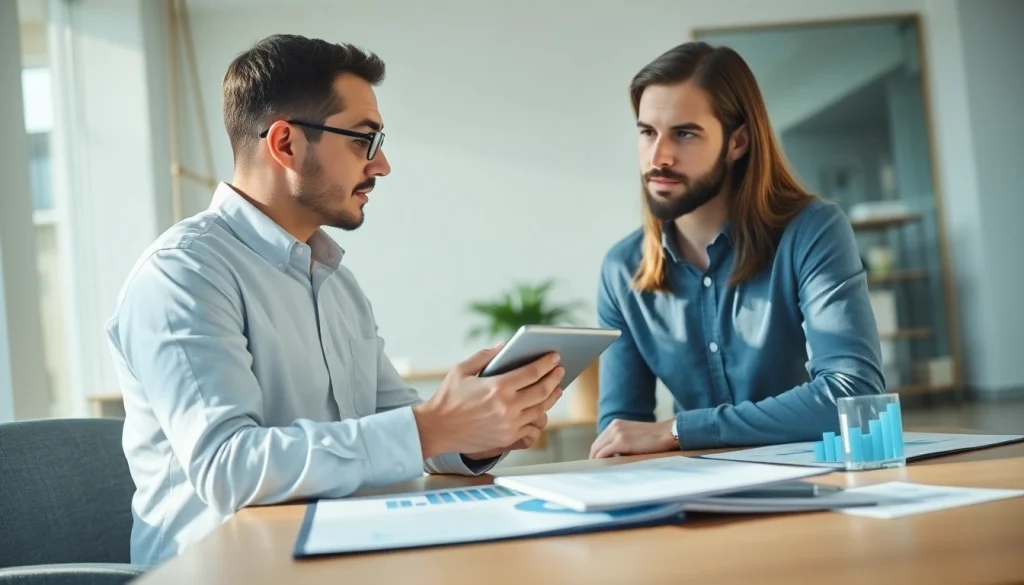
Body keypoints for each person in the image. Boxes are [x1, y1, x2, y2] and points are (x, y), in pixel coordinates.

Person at [106, 34, 564, 565]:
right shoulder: (182, 274)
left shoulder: (334, 280)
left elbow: (398, 424)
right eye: (362, 140)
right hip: (225, 570)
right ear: (285, 144)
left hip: (343, 552)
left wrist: (473, 434)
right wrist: (430, 426)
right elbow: (228, 469)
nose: (382, 164)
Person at [588, 42, 884, 459]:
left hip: (812, 479)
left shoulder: (813, 230)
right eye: (647, 132)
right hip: (691, 495)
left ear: (738, 141)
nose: (659, 156)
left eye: (685, 133)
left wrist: (681, 430)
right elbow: (621, 431)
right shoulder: (622, 269)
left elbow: (853, 395)